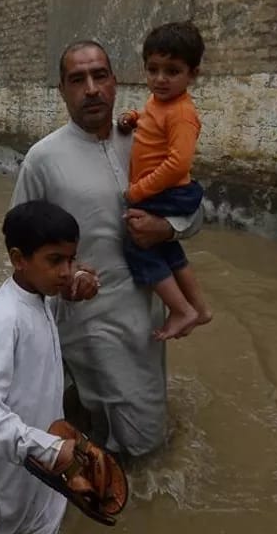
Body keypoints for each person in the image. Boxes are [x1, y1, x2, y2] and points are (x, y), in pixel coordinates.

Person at [10, 40, 200, 458]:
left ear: (115, 82)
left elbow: (195, 212)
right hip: (86, 320)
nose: (91, 88)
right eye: (77, 80)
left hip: (149, 314)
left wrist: (166, 228)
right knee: (135, 439)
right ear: (61, 90)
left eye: (100, 76)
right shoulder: (42, 160)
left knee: (132, 427)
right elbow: (18, 246)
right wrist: (69, 276)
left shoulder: (146, 138)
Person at [0, 200, 78, 534]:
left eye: (71, 260)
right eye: (55, 260)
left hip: (37, 449)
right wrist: (47, 447)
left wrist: (78, 280)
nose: (66, 271)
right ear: (18, 259)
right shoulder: (6, 319)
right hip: (15, 465)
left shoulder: (39, 295)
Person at [115, 22, 213, 340]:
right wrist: (133, 118)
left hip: (169, 191)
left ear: (192, 74)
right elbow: (151, 122)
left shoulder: (182, 113)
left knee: (137, 244)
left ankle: (182, 309)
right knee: (166, 249)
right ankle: (198, 308)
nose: (160, 79)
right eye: (153, 69)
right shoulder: (159, 103)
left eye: (172, 71)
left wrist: (136, 191)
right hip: (168, 191)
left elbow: (177, 164)